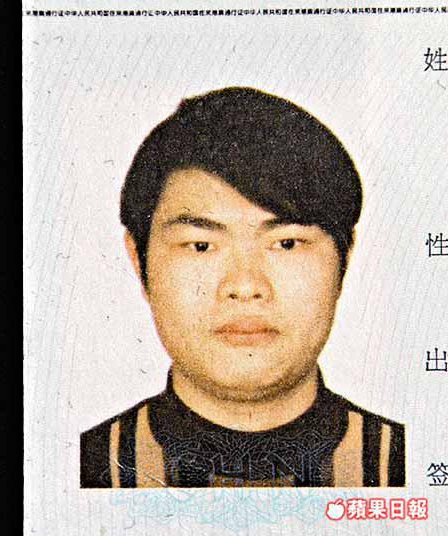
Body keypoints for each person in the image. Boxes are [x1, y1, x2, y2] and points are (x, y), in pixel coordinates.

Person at [80, 87, 405, 488]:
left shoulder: (409, 466)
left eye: (287, 244)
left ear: (345, 258)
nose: (246, 286)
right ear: (139, 259)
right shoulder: (73, 472)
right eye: (201, 246)